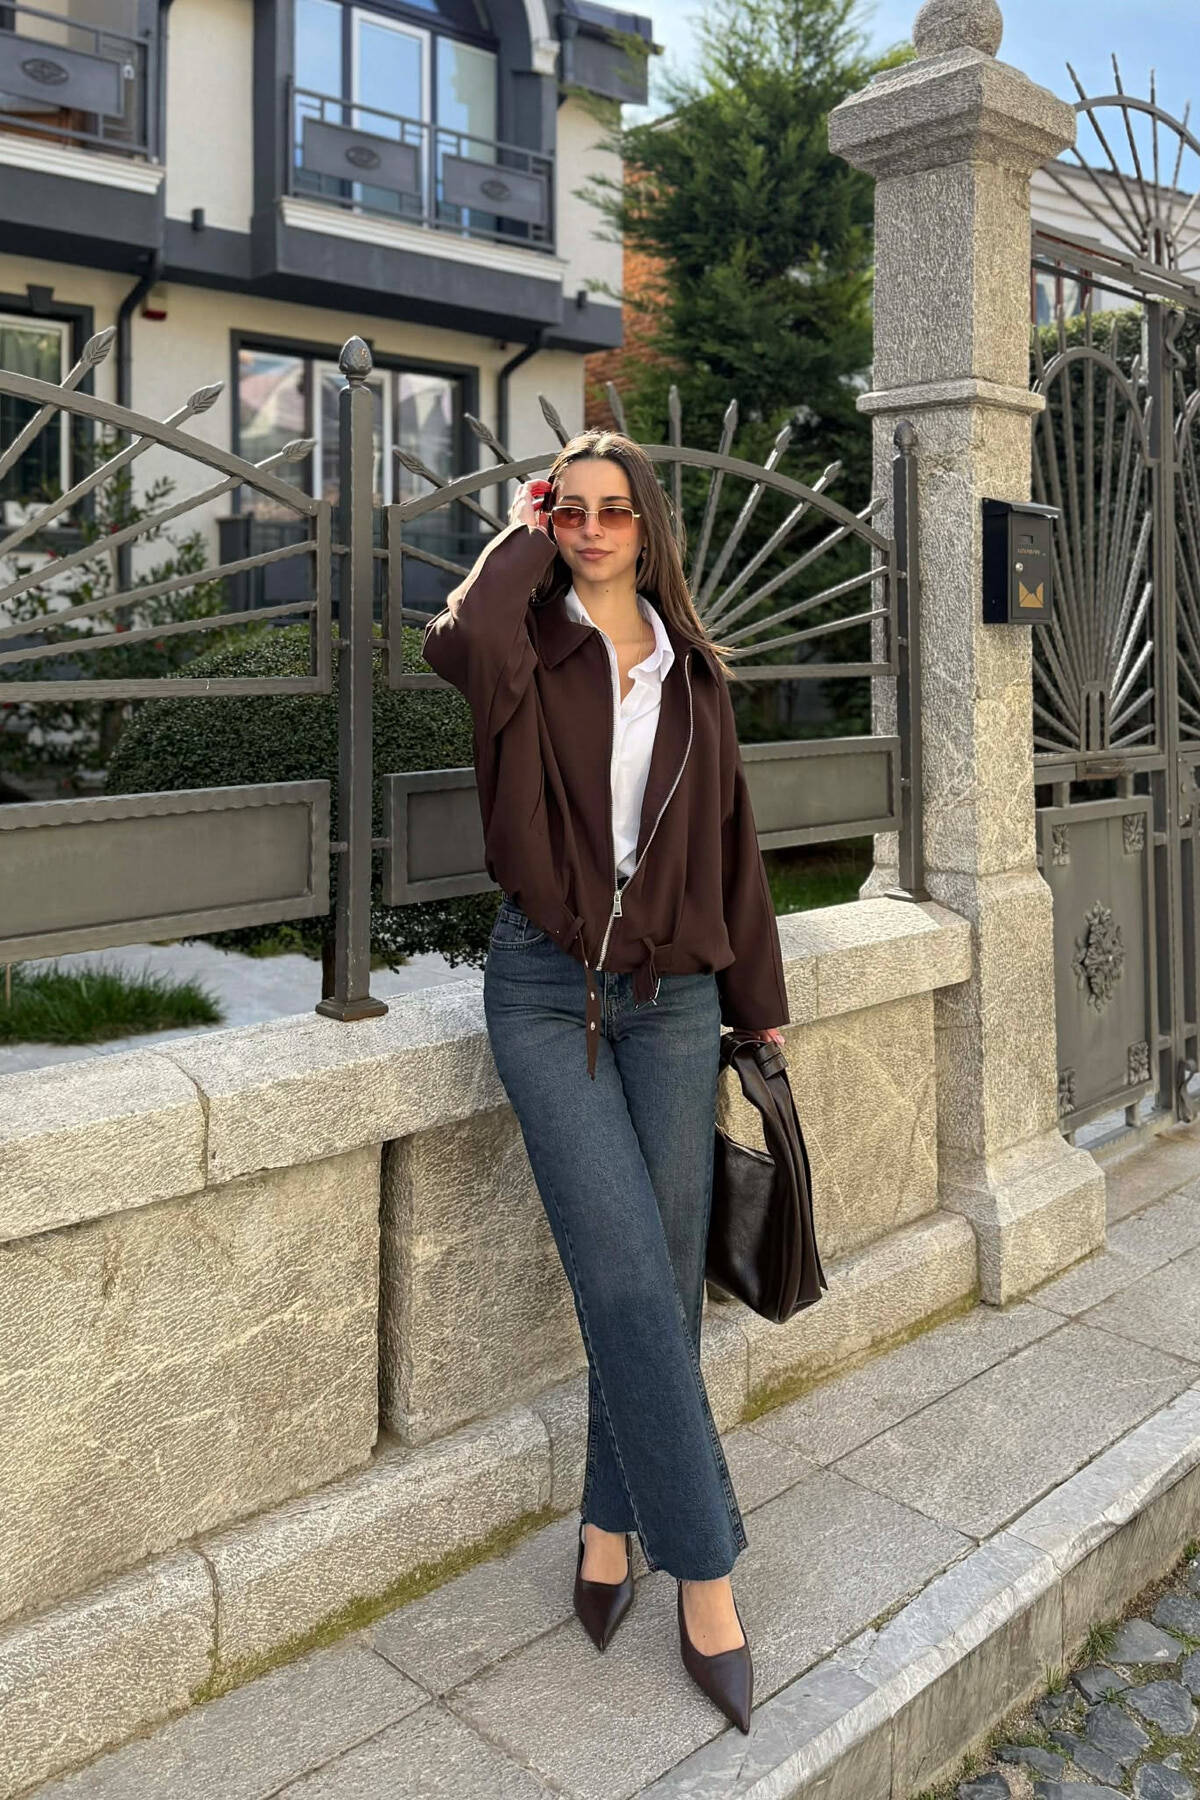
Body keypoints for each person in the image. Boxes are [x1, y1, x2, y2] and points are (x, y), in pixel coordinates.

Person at [421, 430, 789, 1737]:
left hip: (676, 1001)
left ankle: (605, 1524)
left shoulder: (694, 671)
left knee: (662, 1278)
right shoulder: (524, 649)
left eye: (611, 509)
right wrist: (522, 521)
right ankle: (710, 1576)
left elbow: (735, 844)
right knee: (628, 1274)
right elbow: (458, 636)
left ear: (648, 527)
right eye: (567, 508)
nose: (589, 528)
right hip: (544, 992)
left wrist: (759, 1007)